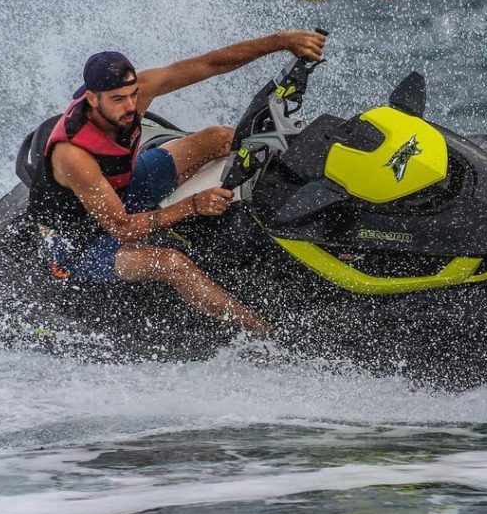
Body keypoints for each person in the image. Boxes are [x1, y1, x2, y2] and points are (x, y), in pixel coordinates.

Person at [26, 30, 327, 334]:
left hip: (123, 187)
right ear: (92, 98)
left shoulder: (133, 94)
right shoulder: (73, 155)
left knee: (219, 138)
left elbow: (211, 64)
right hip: (80, 238)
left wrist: (282, 42)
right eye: (118, 100)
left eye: (132, 95)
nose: (131, 107)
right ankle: (266, 335)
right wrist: (194, 205)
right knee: (172, 263)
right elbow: (123, 228)